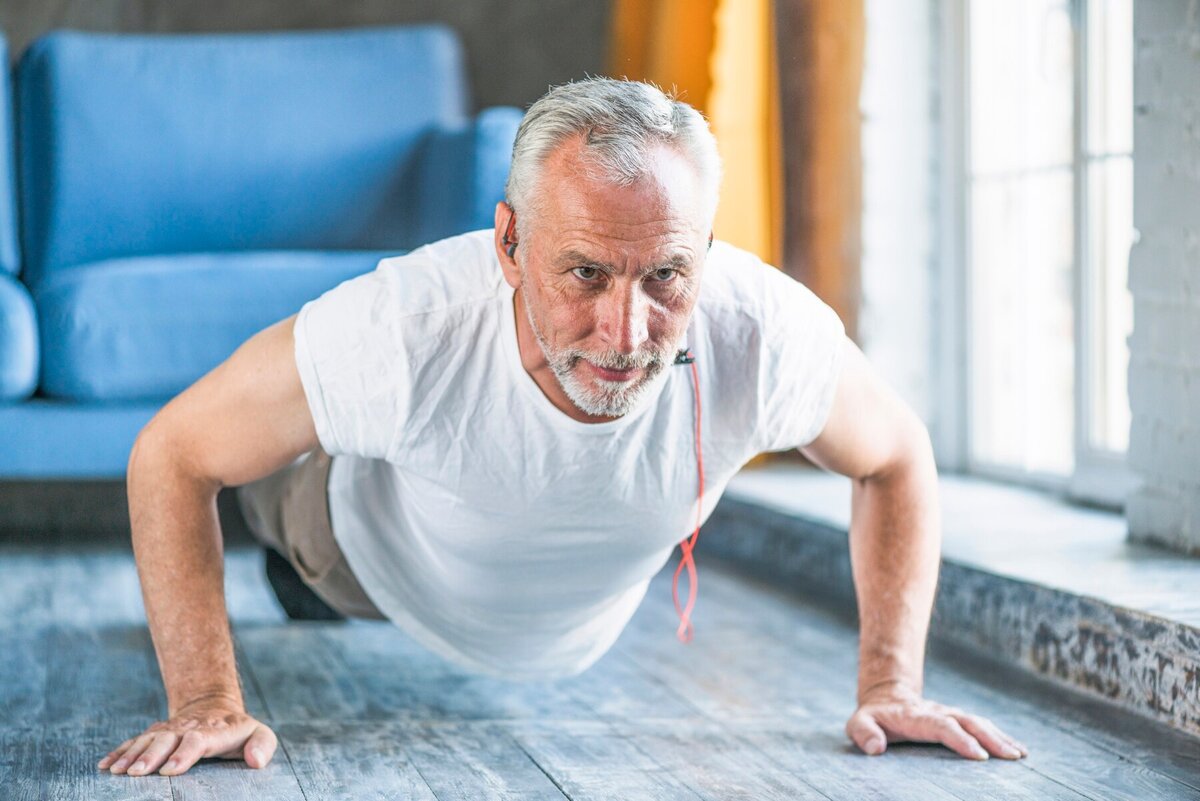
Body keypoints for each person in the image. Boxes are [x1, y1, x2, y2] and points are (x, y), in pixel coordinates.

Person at [98, 77, 1028, 779]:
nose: (627, 337)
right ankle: (289, 543)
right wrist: (208, 699)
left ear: (705, 252)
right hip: (358, 553)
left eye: (665, 276)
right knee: (277, 495)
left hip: (560, 618)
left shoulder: (761, 328)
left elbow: (897, 455)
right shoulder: (401, 327)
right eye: (584, 273)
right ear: (508, 244)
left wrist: (891, 685)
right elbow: (172, 453)